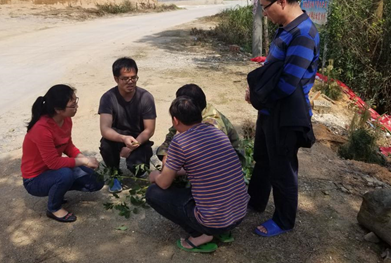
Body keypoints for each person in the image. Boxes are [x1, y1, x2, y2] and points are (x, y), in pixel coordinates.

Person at [245, 0, 318, 237]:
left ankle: (284, 220)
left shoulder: (303, 34)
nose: (264, 13)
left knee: (283, 168)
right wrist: (256, 90)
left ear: (282, 1)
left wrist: (258, 96)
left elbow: (288, 84)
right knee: (263, 159)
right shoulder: (285, 28)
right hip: (270, 111)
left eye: (265, 7)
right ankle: (254, 201)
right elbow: (272, 68)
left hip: (285, 115)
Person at [146, 97, 249, 253]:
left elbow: (164, 183)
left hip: (215, 222)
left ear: (175, 120)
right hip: (239, 213)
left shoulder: (180, 141)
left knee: (153, 193)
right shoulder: (216, 132)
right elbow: (201, 167)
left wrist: (155, 176)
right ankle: (222, 231)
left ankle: (201, 234)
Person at [21, 84, 104, 223]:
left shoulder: (65, 119)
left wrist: (82, 158)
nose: (76, 107)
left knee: (95, 181)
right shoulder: (41, 129)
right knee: (65, 174)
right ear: (58, 109)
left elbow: (68, 145)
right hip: (34, 179)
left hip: (52, 171)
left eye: (75, 101)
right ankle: (54, 208)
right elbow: (53, 163)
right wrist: (83, 161)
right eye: (72, 105)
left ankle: (58, 189)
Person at [98, 57, 156, 193]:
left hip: (138, 139)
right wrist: (123, 139)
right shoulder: (108, 98)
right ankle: (114, 174)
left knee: (138, 169)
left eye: (134, 78)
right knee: (106, 144)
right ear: (116, 78)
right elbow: (105, 129)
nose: (130, 82)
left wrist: (131, 147)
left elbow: (149, 130)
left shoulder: (146, 97)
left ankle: (139, 162)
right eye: (125, 78)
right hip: (117, 136)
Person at [156, 84, 245, 165]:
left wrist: (171, 163)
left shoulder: (212, 125)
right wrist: (168, 154)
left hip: (225, 163)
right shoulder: (191, 113)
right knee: (161, 151)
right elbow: (171, 137)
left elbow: (212, 157)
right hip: (203, 157)